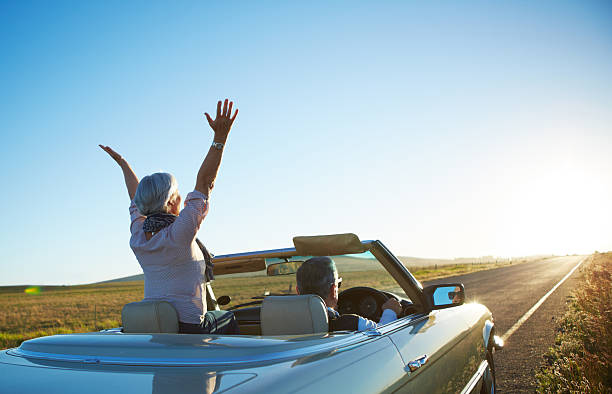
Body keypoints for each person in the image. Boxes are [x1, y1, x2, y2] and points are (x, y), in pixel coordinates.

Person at [100, 98, 239, 335]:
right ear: (172, 202)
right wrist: (220, 139)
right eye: (178, 193)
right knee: (229, 318)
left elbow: (135, 200)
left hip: (155, 330)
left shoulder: (139, 237)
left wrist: (123, 163)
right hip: (191, 328)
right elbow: (206, 183)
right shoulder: (180, 234)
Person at [295, 256, 403, 331]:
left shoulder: (283, 324)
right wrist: (390, 311)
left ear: (298, 291)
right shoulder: (350, 323)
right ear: (333, 290)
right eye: (338, 284)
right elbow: (383, 334)